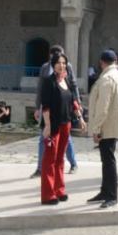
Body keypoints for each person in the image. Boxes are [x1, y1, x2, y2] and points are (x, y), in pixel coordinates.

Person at [87, 49, 118, 209]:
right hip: (114, 123)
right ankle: (105, 191)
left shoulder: (107, 79)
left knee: (109, 161)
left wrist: (96, 128)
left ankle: (112, 196)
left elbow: (103, 107)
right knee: (106, 160)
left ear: (102, 62)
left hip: (106, 126)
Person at [31, 45, 80, 178]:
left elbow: (73, 86)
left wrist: (77, 104)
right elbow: (40, 88)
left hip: (63, 109)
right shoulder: (45, 68)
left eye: (61, 59)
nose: (60, 64)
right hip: (48, 110)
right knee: (43, 138)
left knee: (66, 139)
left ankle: (73, 163)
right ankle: (40, 168)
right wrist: (37, 107)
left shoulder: (67, 66)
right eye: (56, 59)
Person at [40, 51, 80, 204]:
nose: (61, 65)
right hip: (54, 125)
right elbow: (46, 106)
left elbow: (72, 100)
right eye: (58, 63)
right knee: (50, 159)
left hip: (66, 123)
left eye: (64, 63)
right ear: (53, 65)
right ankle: (48, 194)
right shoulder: (48, 82)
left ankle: (59, 190)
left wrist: (80, 118)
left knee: (60, 159)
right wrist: (48, 126)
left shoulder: (66, 80)